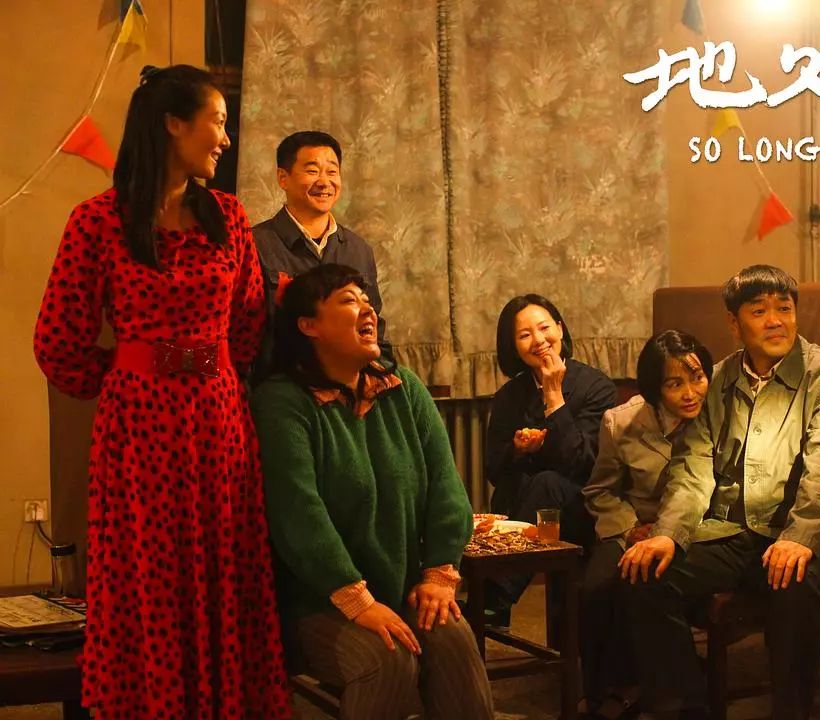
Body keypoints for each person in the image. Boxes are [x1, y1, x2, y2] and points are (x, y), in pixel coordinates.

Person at [33, 64, 290, 717]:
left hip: (219, 424)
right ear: (174, 123)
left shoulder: (227, 216)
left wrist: (198, 369)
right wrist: (131, 373)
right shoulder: (97, 221)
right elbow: (57, 339)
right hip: (139, 431)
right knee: (150, 580)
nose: (226, 139)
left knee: (223, 572)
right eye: (218, 122)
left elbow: (248, 322)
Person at [251, 264, 493, 719]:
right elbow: (298, 515)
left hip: (402, 589)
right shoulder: (283, 402)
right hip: (318, 602)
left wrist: (439, 574)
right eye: (348, 300)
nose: (368, 310)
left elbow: (446, 485)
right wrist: (358, 602)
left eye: (367, 300)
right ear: (309, 325)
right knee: (387, 656)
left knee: (454, 640)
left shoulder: (403, 388)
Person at [624, 265, 820, 720]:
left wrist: (799, 537)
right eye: (759, 311)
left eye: (784, 309)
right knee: (648, 574)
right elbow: (692, 469)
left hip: (808, 533)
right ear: (734, 323)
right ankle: (686, 709)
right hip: (731, 532)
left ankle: (791, 713)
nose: (775, 321)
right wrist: (669, 534)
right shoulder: (719, 379)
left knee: (794, 580)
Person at [581, 330, 713, 718]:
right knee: (597, 587)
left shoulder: (717, 413)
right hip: (635, 525)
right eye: (675, 384)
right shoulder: (621, 422)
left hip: (696, 526)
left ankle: (662, 690)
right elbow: (600, 491)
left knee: (642, 580)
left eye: (697, 377)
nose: (690, 393)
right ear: (655, 387)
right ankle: (604, 689)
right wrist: (628, 528)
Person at [484, 293, 618, 623]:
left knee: (547, 484)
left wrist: (554, 396)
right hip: (528, 509)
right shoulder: (509, 396)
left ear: (559, 328)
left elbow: (585, 464)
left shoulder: (596, 386)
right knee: (517, 488)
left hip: (584, 507)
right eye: (524, 334)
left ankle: (496, 596)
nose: (539, 340)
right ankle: (492, 593)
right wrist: (518, 449)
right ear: (513, 346)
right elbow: (493, 470)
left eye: (544, 328)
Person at [252, 130, 386, 381]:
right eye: (312, 171)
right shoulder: (254, 244)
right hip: (280, 386)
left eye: (332, 171)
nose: (324, 182)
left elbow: (375, 324)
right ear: (283, 178)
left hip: (348, 388)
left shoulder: (358, 249)